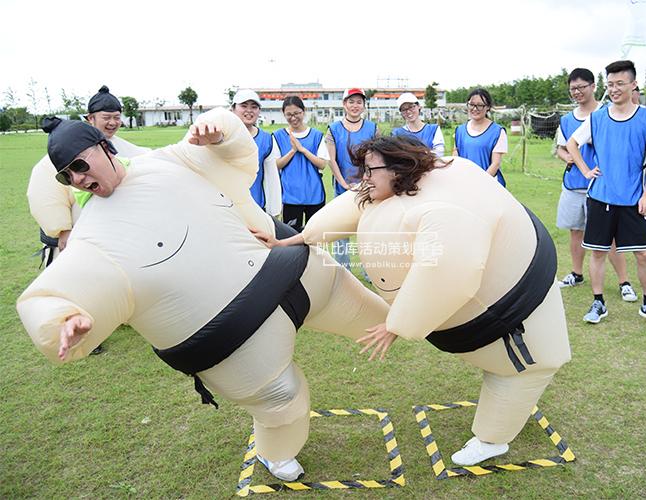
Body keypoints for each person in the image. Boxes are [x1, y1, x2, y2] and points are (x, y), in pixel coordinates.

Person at [16, 108, 390, 482]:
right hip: (237, 339)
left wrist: (219, 132)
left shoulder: (168, 162)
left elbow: (237, 155)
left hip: (298, 273)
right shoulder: (93, 236)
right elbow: (52, 291)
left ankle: (414, 323)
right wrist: (63, 318)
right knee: (281, 398)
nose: (79, 178)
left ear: (104, 147)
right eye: (68, 175)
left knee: (386, 320)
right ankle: (276, 454)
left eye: (81, 165)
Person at [256, 135, 571, 467]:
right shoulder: (398, 187)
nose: (363, 179)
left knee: (521, 371)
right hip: (493, 309)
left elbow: (450, 269)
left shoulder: (441, 208)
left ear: (398, 169)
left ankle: (493, 440)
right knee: (503, 370)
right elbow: (353, 203)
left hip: (516, 321)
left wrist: (397, 325)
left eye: (369, 171)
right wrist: (297, 239)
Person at [26, 85, 150, 354]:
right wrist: (62, 229)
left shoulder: (125, 149)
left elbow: (147, 165)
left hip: (117, 232)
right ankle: (77, 329)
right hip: (77, 233)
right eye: (107, 116)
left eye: (117, 116)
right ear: (90, 119)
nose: (113, 122)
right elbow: (44, 191)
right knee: (78, 281)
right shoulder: (59, 153)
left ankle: (121, 315)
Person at [566, 60, 646, 327]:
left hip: (633, 199)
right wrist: (587, 171)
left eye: (620, 83)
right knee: (598, 253)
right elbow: (572, 144)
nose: (614, 89)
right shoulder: (597, 118)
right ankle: (598, 302)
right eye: (610, 84)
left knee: (644, 254)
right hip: (600, 198)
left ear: (633, 85)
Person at [554, 68, 637, 303]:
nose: (577, 92)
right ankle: (577, 273)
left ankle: (624, 282)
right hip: (573, 185)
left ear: (593, 87)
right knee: (576, 231)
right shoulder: (567, 120)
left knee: (607, 238)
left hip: (602, 188)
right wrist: (566, 157)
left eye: (582, 87)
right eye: (573, 89)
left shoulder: (608, 114)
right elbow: (562, 148)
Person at [324, 88, 378, 272]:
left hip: (368, 187)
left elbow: (377, 157)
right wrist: (343, 183)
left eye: (359, 102)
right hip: (342, 188)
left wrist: (366, 179)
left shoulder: (372, 128)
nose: (355, 106)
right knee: (341, 231)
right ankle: (342, 271)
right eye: (351, 101)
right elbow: (331, 159)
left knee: (368, 230)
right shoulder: (333, 129)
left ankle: (369, 271)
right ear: (344, 104)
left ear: (364, 105)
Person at [274, 96, 326, 232]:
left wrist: (302, 149)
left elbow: (322, 164)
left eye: (297, 113)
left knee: (315, 238)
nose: (293, 118)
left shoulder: (317, 135)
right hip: (291, 197)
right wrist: (293, 150)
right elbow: (276, 165)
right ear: (284, 114)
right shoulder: (278, 136)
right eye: (289, 114)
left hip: (314, 196)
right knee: (291, 238)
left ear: (304, 112)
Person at [231, 89, 282, 217]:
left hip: (256, 208)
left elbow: (272, 178)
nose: (249, 110)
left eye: (254, 107)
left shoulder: (267, 140)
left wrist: (274, 211)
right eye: (243, 106)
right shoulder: (222, 136)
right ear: (233, 108)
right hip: (227, 209)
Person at [452, 88, 508, 187]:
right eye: (472, 104)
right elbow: (456, 159)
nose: (475, 109)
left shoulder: (497, 132)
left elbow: (495, 164)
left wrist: (480, 185)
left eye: (480, 105)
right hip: (464, 184)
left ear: (488, 107)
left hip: (489, 185)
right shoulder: (459, 131)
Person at [391, 92, 445, 157]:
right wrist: (425, 152)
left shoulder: (434, 129)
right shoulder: (397, 133)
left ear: (419, 106)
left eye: (411, 107)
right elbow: (396, 156)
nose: (408, 111)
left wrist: (411, 153)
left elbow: (439, 154)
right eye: (404, 109)